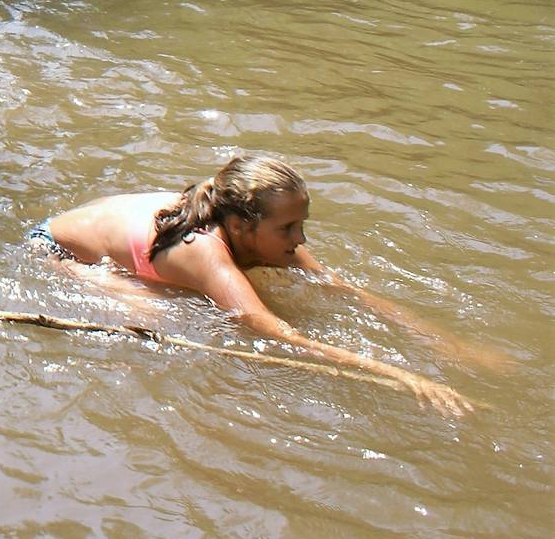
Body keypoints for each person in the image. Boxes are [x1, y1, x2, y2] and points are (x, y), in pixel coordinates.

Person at [30, 155, 476, 416]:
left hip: (117, 229)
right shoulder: (207, 254)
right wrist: (404, 376)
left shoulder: (260, 230)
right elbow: (274, 332)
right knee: (160, 318)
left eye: (301, 225)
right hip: (55, 250)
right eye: (287, 229)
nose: (299, 240)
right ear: (243, 226)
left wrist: (447, 343)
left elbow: (340, 288)